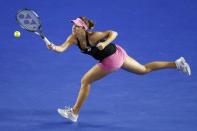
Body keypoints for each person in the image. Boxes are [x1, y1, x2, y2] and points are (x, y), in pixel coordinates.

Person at [44, 16, 191, 122]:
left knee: (85, 81)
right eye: (73, 25)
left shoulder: (95, 36)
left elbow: (114, 33)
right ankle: (177, 64)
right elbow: (61, 49)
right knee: (144, 70)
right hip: (117, 53)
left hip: (113, 59)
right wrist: (53, 47)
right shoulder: (72, 38)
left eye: (76, 26)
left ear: (84, 28)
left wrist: (104, 43)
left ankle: (74, 113)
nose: (73, 28)